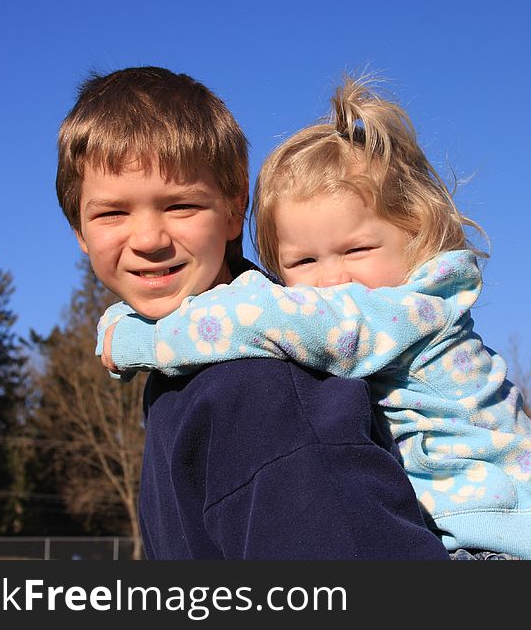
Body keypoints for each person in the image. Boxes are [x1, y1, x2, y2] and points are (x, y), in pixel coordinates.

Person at [99, 76, 531, 559]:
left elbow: (254, 318)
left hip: (501, 536)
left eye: (356, 249)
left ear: (417, 234)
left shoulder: (407, 312)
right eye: (303, 262)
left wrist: (135, 339)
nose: (331, 280)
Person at [56, 66, 450, 560]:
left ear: (232, 206)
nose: (149, 240)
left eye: (180, 205)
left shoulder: (259, 392)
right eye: (112, 213)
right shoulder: (188, 373)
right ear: (79, 228)